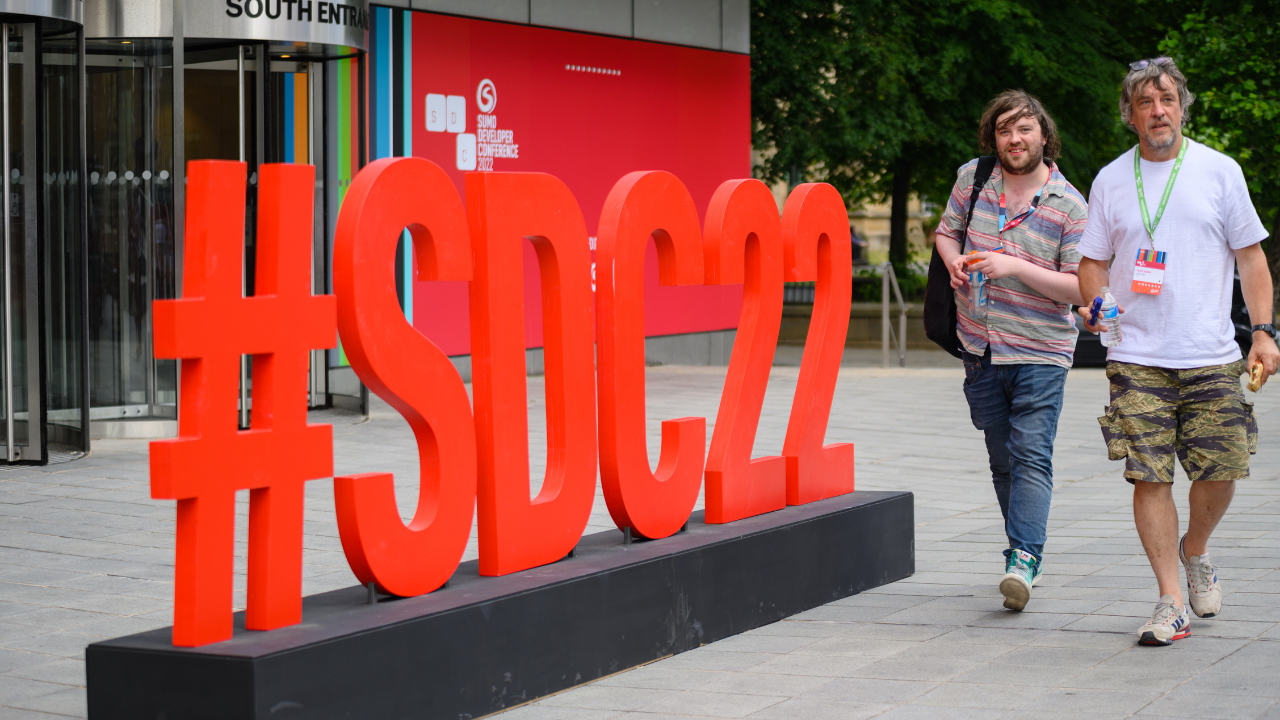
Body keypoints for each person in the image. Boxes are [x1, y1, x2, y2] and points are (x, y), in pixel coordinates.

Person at [1076, 57, 1278, 646]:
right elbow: (1092, 264)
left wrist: (1264, 332)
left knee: (1223, 469)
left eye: (1166, 99)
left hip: (1211, 353)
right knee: (1149, 474)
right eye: (1145, 102)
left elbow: (1252, 259)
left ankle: (1196, 548)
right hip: (1135, 354)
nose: (1158, 110)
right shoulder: (1111, 180)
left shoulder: (1220, 171)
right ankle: (1170, 600)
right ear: (1131, 115)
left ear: (1181, 106)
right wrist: (1095, 302)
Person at [934, 90, 1087, 611]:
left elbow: (1080, 289)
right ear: (992, 137)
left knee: (1030, 455)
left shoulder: (1070, 205)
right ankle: (1024, 553)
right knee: (1002, 460)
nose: (1014, 139)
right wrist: (954, 261)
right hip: (980, 344)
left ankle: (1022, 557)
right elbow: (945, 232)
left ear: (1044, 135)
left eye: (1024, 129)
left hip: (1042, 350)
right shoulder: (973, 180)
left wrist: (1014, 266)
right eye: (1004, 130)